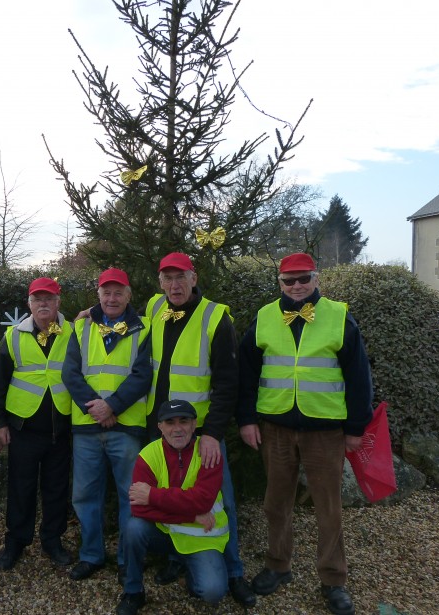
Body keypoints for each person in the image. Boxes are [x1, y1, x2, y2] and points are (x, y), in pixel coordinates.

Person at [237, 252, 372, 615]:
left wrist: (356, 428)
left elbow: (359, 378)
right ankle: (277, 566)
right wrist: (247, 419)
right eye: (288, 280)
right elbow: (246, 374)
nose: (296, 286)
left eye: (303, 278)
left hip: (325, 431)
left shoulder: (339, 317)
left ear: (316, 278)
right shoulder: (265, 317)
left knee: (329, 509)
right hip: (276, 428)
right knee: (275, 503)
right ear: (279, 283)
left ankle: (333, 580)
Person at [144, 252, 256, 607]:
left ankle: (234, 572)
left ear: (194, 278)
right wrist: (91, 314)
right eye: (167, 279)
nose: (174, 285)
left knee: (222, 502)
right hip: (161, 429)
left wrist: (212, 433)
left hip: (200, 433)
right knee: (169, 493)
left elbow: (227, 382)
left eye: (181, 277)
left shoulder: (215, 317)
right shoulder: (153, 308)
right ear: (160, 283)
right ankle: (178, 559)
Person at [61, 267, 151, 583]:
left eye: (118, 292)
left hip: (126, 427)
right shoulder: (81, 327)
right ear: (98, 295)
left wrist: (111, 406)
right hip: (87, 426)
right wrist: (97, 408)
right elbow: (70, 374)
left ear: (129, 295)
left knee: (130, 495)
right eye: (106, 292)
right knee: (85, 495)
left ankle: (128, 559)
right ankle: (91, 555)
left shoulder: (144, 327)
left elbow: (143, 375)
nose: (112, 298)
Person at [0, 277, 74, 571]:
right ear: (29, 304)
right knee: (20, 488)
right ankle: (16, 541)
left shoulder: (74, 332)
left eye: (49, 299)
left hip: (61, 429)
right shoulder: (13, 336)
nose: (43, 304)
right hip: (23, 428)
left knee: (56, 489)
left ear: (58, 302)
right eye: (37, 300)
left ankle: (52, 540)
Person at [117, 399, 229, 615]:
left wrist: (152, 495)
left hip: (202, 538)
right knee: (133, 528)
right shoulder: (148, 455)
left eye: (183, 421)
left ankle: (188, 568)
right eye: (170, 422)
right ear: (160, 426)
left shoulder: (209, 452)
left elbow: (203, 501)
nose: (177, 429)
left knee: (212, 592)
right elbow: (138, 509)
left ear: (194, 424)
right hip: (168, 532)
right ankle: (133, 592)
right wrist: (192, 516)